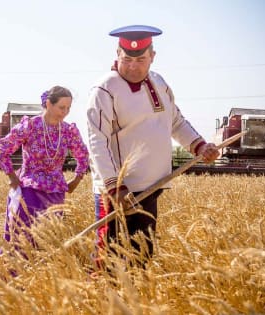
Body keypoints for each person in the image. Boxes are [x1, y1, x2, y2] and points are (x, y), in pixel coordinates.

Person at [86, 25, 219, 268]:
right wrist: (115, 188)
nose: (133, 66)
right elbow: (97, 142)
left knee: (142, 261)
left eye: (140, 60)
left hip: (151, 190)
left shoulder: (159, 82)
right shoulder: (104, 89)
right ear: (117, 54)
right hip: (118, 196)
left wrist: (199, 146)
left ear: (152, 57)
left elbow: (175, 121)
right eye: (126, 59)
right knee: (110, 265)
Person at [0, 85, 89, 255]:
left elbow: (83, 154)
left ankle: (41, 280)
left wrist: (77, 178)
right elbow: (1, 148)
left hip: (55, 194)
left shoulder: (68, 131)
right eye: (62, 107)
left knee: (48, 240)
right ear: (48, 104)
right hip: (29, 192)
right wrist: (11, 176)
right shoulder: (30, 126)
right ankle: (11, 277)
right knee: (22, 239)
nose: (65, 112)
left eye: (68, 108)